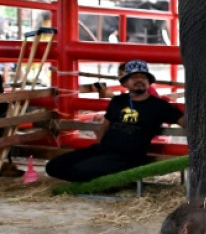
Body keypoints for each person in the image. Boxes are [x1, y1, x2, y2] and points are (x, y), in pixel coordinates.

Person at [46, 60, 184, 183]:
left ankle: (113, 180)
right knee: (53, 166)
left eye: (143, 77)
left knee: (79, 170)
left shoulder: (159, 105)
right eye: (134, 77)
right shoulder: (118, 101)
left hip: (128, 157)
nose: (139, 80)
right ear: (125, 82)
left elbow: (185, 121)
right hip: (104, 150)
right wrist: (100, 147)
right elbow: (104, 127)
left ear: (149, 82)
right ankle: (105, 178)